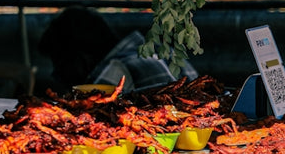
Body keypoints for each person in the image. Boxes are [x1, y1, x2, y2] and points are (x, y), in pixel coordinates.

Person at [37, 6, 195, 93]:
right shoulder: (165, 52)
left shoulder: (114, 70)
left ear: (78, 58)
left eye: (58, 65)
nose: (56, 74)